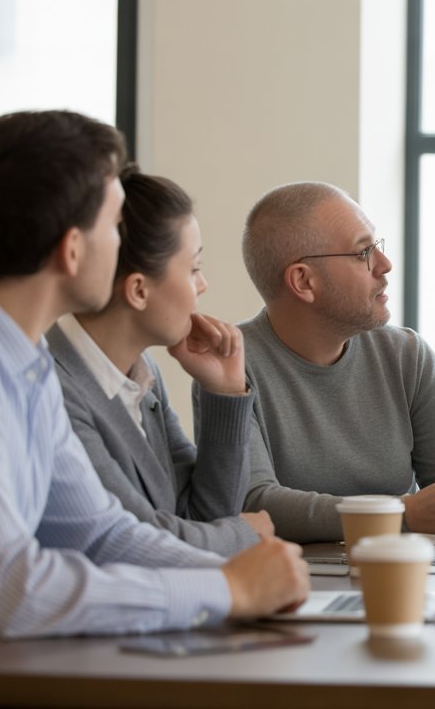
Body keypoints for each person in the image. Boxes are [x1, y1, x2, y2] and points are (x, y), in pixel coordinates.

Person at [0, 110, 307, 664]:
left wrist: (239, 576)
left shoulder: (25, 362)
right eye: (113, 223)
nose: (122, 245)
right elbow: (8, 590)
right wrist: (228, 589)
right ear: (72, 250)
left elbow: (99, 533)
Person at [205, 181, 435, 542]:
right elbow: (256, 504)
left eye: (376, 247)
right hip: (293, 585)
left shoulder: (407, 355)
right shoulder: (229, 366)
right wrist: (400, 514)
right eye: (362, 253)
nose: (385, 265)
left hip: (401, 573)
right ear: (303, 281)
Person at [46, 166, 272, 556]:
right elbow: (138, 539)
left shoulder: (144, 375)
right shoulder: (54, 387)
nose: (203, 285)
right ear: (138, 290)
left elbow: (203, 516)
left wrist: (225, 391)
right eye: (194, 269)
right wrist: (245, 533)